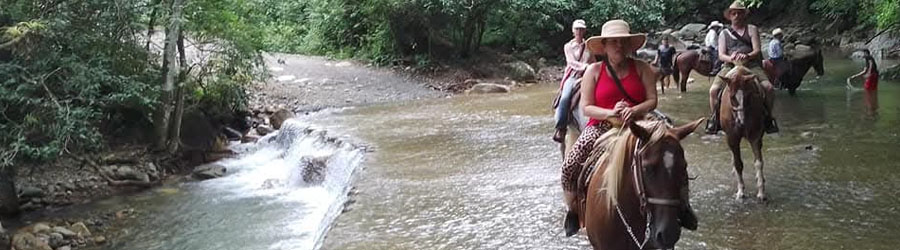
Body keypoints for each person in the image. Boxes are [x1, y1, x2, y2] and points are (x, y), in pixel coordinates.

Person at [560, 19, 659, 236]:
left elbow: (652, 100)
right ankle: (573, 211)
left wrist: (633, 110)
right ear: (604, 46)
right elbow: (586, 107)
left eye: (623, 41)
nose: (619, 46)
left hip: (638, 123)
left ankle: (680, 207)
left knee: (670, 153)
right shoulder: (593, 71)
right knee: (569, 166)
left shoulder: (642, 68)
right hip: (602, 126)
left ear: (629, 45)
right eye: (613, 41)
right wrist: (611, 113)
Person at [706, 0, 778, 134]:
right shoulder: (724, 33)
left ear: (744, 15)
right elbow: (721, 55)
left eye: (739, 13)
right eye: (733, 13)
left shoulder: (752, 29)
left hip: (751, 65)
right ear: (730, 16)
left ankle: (768, 117)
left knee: (768, 88)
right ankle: (715, 119)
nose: (736, 16)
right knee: (713, 91)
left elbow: (757, 50)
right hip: (729, 66)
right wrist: (732, 58)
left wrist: (747, 56)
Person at [553, 19, 595, 143]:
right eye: (577, 29)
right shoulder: (568, 46)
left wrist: (595, 69)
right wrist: (586, 67)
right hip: (572, 77)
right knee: (565, 97)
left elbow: (594, 61)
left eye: (581, 29)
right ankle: (561, 128)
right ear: (573, 30)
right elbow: (571, 62)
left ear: (584, 31)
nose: (579, 31)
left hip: (587, 76)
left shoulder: (589, 46)